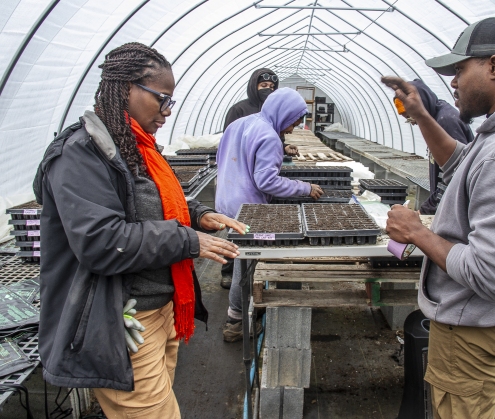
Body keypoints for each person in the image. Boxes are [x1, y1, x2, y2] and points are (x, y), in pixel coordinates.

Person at [33, 42, 246, 419]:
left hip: (162, 311)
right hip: (122, 322)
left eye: (171, 102)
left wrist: (198, 215)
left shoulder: (137, 145)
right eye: (161, 99)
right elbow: (102, 241)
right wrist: (187, 239)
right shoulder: (81, 153)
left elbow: (151, 200)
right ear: (125, 88)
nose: (166, 111)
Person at [383, 17, 495, 419]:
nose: (453, 83)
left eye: (460, 70)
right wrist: (421, 116)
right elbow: (464, 164)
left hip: (470, 327)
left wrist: (416, 232)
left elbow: (493, 273)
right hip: (483, 324)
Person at [216, 87, 323, 342]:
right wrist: (305, 188)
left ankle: (238, 315)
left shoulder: (242, 123)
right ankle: (236, 321)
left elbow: (227, 157)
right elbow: (266, 182)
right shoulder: (270, 137)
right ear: (283, 113)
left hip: (227, 203)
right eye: (294, 121)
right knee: (245, 264)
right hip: (248, 211)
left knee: (241, 259)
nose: (293, 128)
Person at [219, 68, 298, 289]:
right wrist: (302, 187)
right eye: (263, 86)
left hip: (230, 194)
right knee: (242, 257)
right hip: (246, 198)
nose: (268, 90)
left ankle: (238, 301)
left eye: (272, 88)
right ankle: (237, 307)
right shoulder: (240, 111)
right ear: (254, 86)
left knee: (236, 242)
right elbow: (266, 179)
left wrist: (282, 147)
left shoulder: (265, 118)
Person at [400, 80, 474, 214]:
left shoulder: (446, 121)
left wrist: (425, 211)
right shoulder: (438, 118)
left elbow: (453, 177)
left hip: (455, 210)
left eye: (412, 118)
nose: (414, 123)